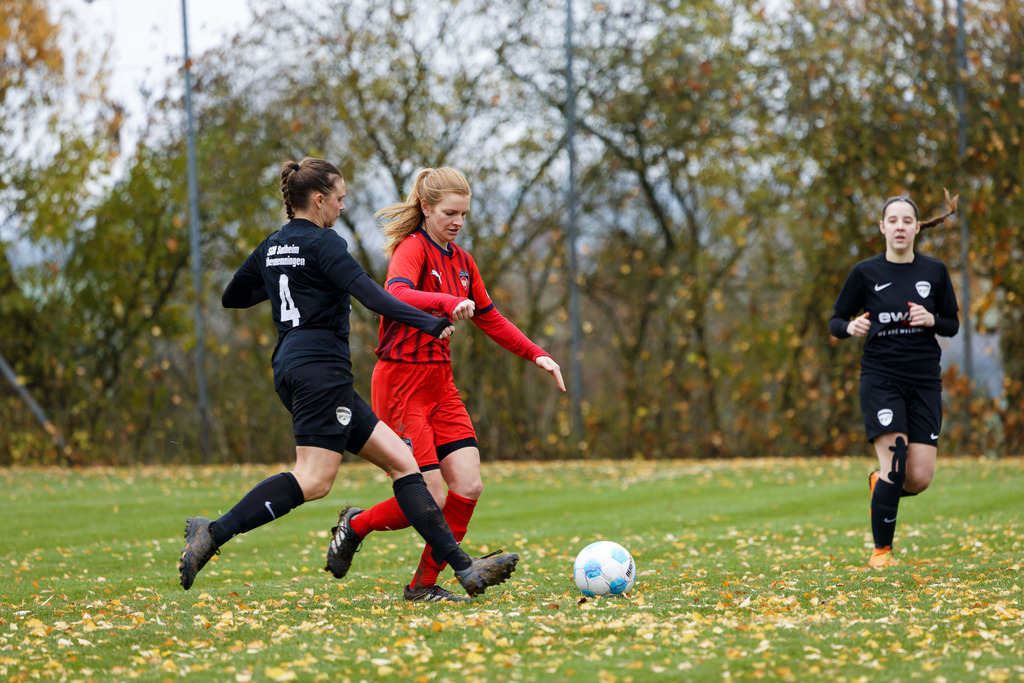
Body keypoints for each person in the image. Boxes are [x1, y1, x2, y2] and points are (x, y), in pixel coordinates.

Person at [178, 157, 519, 598]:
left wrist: (288, 277)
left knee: (403, 463)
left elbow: (233, 295)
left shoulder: (274, 244)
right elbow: (376, 297)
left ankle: (459, 569)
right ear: (319, 200)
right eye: (339, 200)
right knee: (315, 479)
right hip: (322, 371)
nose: (342, 207)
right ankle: (214, 531)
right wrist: (429, 322)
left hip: (294, 366)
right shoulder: (326, 245)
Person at [324, 167, 565, 602]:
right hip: (400, 381)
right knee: (430, 494)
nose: (457, 222)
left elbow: (489, 316)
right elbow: (396, 294)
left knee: (469, 486)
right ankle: (355, 525)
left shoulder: (463, 260)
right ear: (426, 208)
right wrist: (448, 302)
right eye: (449, 213)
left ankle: (422, 585)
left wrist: (537, 354)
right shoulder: (411, 249)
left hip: (440, 383)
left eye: (464, 214)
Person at [829, 190, 960, 569]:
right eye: (893, 221)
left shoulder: (934, 272)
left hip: (923, 382)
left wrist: (932, 319)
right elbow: (836, 321)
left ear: (917, 228)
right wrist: (850, 325)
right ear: (882, 227)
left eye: (907, 221)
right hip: (881, 378)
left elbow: (952, 323)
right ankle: (881, 552)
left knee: (917, 478)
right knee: (897, 463)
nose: (900, 227)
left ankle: (880, 484)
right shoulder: (865, 273)